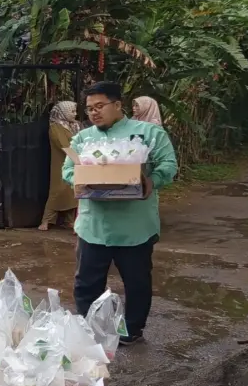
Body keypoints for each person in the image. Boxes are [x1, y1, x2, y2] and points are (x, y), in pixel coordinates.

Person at [65, 81, 178, 345]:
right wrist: (80, 179)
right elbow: (68, 170)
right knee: (86, 283)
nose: (94, 112)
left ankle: (132, 330)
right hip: (95, 225)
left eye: (100, 106)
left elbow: (168, 164)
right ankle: (88, 329)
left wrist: (153, 181)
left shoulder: (147, 134)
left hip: (135, 227)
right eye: (89, 108)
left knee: (137, 283)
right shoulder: (83, 138)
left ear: (118, 105)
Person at [40, 101, 82, 231]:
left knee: (72, 190)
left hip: (76, 161)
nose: (75, 114)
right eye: (72, 111)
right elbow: (63, 145)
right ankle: (47, 220)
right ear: (63, 113)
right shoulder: (55, 127)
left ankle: (69, 221)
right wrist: (77, 160)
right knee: (58, 190)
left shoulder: (75, 125)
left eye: (75, 111)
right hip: (62, 162)